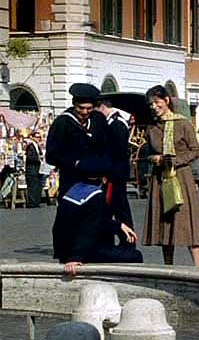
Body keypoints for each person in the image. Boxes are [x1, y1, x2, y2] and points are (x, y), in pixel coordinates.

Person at [46, 83, 142, 276]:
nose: (85, 113)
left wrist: (104, 169)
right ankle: (77, 252)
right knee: (79, 217)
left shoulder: (98, 120)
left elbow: (107, 148)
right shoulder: (62, 124)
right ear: (74, 104)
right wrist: (75, 163)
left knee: (98, 216)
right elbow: (51, 155)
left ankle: (97, 249)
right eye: (81, 109)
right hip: (73, 181)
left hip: (98, 181)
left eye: (89, 109)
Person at [143, 85, 199, 267]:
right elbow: (146, 152)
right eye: (151, 104)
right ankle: (168, 268)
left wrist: (173, 160)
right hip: (160, 179)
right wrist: (153, 158)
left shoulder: (183, 124)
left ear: (166, 101)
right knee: (166, 225)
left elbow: (195, 151)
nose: (154, 107)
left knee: (188, 224)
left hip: (181, 178)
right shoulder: (152, 128)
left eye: (157, 102)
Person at [95, 98, 135, 247]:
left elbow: (117, 152)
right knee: (113, 208)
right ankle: (111, 240)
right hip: (115, 173)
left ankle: (128, 241)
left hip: (115, 175)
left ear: (103, 107)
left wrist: (107, 172)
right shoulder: (114, 123)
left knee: (119, 209)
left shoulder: (116, 124)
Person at [24, 132, 43, 208]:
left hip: (38, 169)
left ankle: (36, 201)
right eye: (37, 137)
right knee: (32, 186)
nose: (38, 139)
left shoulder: (38, 146)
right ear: (32, 137)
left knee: (38, 185)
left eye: (39, 137)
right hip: (31, 169)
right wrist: (38, 159)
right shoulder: (30, 146)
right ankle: (32, 202)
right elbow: (29, 157)